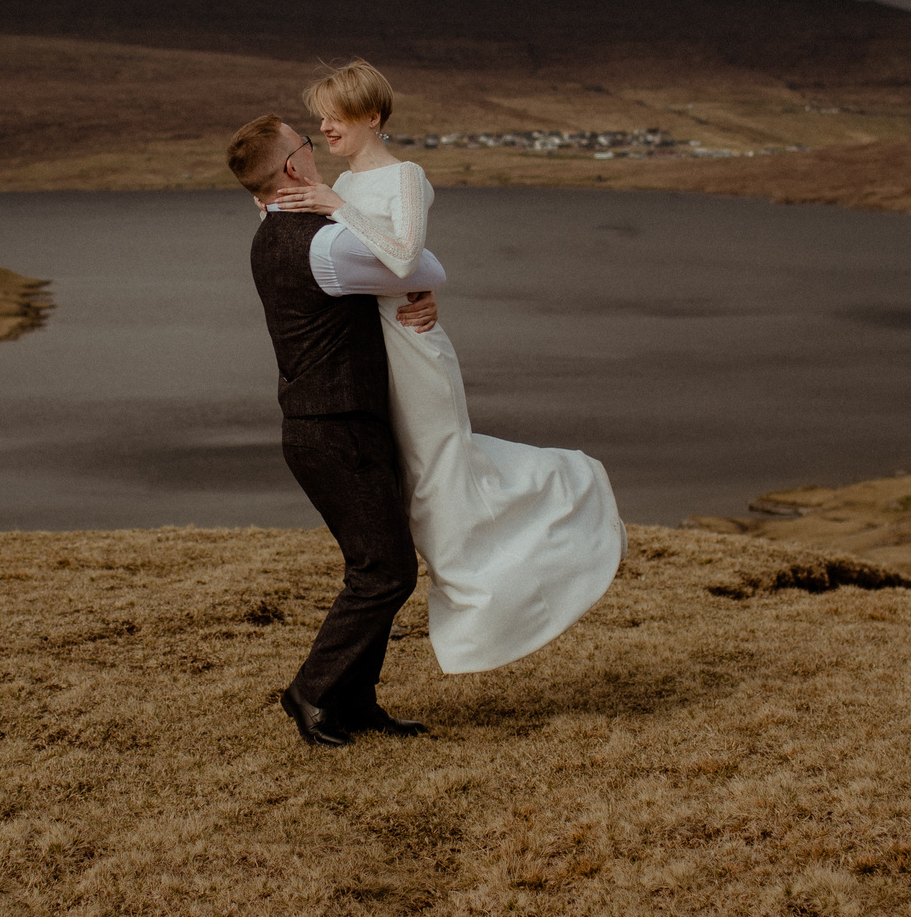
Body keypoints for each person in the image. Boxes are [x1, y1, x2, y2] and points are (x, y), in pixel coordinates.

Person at [264, 60, 625, 675]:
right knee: (412, 486)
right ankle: (457, 616)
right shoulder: (341, 188)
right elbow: (322, 256)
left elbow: (404, 256)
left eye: (336, 114)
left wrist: (344, 213)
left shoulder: (403, 175)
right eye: (319, 116)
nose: (324, 126)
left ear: (372, 116)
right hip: (369, 353)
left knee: (443, 470)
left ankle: (561, 504)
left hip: (412, 350)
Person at [228, 112, 442, 747]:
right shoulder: (324, 243)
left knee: (373, 566)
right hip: (337, 428)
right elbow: (417, 265)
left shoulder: (273, 231)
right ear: (294, 168)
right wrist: (425, 289)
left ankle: (355, 702)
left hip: (326, 425)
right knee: (386, 572)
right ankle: (313, 692)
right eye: (304, 142)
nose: (317, 144)